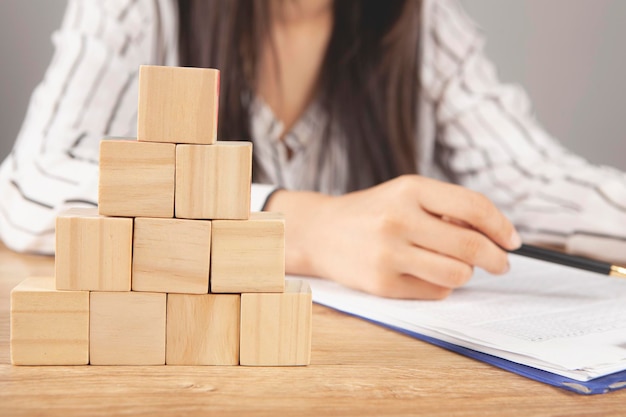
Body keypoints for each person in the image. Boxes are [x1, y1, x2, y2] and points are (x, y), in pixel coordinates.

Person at [1, 0, 625, 299]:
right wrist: (302, 228)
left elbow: (532, 178)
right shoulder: (141, 11)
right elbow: (30, 183)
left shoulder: (424, 26)